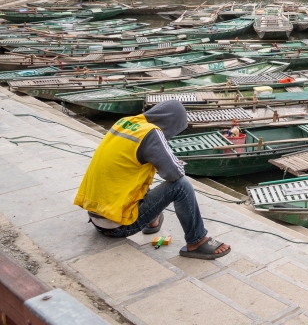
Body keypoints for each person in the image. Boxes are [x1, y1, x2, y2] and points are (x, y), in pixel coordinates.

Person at [73, 100, 232, 260]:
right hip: (118, 227)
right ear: (171, 124)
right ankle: (196, 241)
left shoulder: (125, 122)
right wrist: (176, 162)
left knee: (136, 170)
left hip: (97, 218)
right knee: (181, 185)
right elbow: (174, 174)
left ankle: (152, 221)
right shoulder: (151, 133)